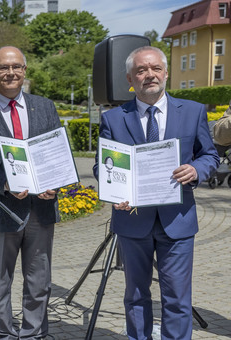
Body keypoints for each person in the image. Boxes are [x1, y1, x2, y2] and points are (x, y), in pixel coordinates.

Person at [93, 46, 218, 340]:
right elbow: (103, 166)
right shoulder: (113, 119)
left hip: (178, 219)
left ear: (165, 73)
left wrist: (196, 170)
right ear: (130, 78)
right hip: (132, 218)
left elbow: (209, 155)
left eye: (155, 68)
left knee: (176, 298)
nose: (149, 75)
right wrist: (114, 192)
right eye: (141, 70)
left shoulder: (193, 111)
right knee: (135, 295)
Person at [0, 46, 61, 339]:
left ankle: (33, 333)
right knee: (0, 282)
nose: (10, 73)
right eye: (3, 67)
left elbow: (56, 153)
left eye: (16, 66)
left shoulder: (45, 107)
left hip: (41, 210)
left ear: (25, 71)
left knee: (39, 281)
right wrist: (4, 183)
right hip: (1, 209)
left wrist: (55, 182)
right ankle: (4, 334)